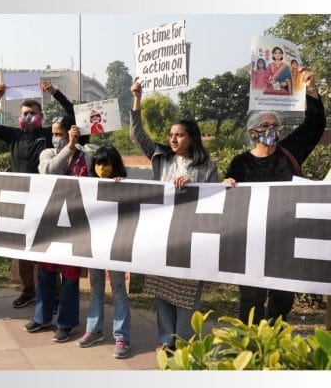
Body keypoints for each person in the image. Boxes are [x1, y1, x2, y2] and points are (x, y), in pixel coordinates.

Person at [223, 68, 326, 323]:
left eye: (274, 125)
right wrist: (226, 185)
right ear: (252, 133)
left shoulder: (290, 152)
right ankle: (250, 347)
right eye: (264, 125)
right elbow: (229, 197)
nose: (271, 130)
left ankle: (273, 339)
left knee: (282, 299)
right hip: (252, 240)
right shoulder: (240, 163)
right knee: (251, 298)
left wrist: (311, 89)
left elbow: (315, 126)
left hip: (284, 239)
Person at [130, 78, 218, 352]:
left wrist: (201, 187)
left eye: (179, 135)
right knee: (163, 292)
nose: (173, 139)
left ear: (192, 137)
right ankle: (166, 341)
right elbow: (137, 136)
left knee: (187, 295)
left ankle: (184, 343)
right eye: (171, 135)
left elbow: (217, 200)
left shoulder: (206, 167)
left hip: (192, 239)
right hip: (163, 237)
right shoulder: (161, 158)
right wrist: (137, 98)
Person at [0, 80, 74, 309]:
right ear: (20, 117)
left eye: (33, 113)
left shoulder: (47, 134)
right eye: (25, 113)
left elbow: (71, 113)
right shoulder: (13, 135)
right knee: (22, 251)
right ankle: (28, 291)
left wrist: (54, 92)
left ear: (40, 115)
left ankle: (54, 294)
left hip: (46, 200)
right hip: (20, 201)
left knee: (49, 250)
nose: (29, 116)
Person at [24, 116, 88, 343]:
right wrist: (68, 148)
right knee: (45, 272)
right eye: (55, 134)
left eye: (60, 133)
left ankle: (66, 323)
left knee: (70, 277)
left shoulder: (86, 156)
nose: (56, 138)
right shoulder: (48, 154)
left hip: (75, 225)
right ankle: (42, 317)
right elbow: (49, 172)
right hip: (50, 222)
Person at [76, 145, 132, 359]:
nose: (101, 168)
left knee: (118, 289)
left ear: (115, 165)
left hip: (116, 245)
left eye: (106, 164)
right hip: (94, 244)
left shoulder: (125, 185)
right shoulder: (89, 186)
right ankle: (94, 329)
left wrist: (122, 188)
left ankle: (122, 336)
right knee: (95, 286)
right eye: (98, 164)